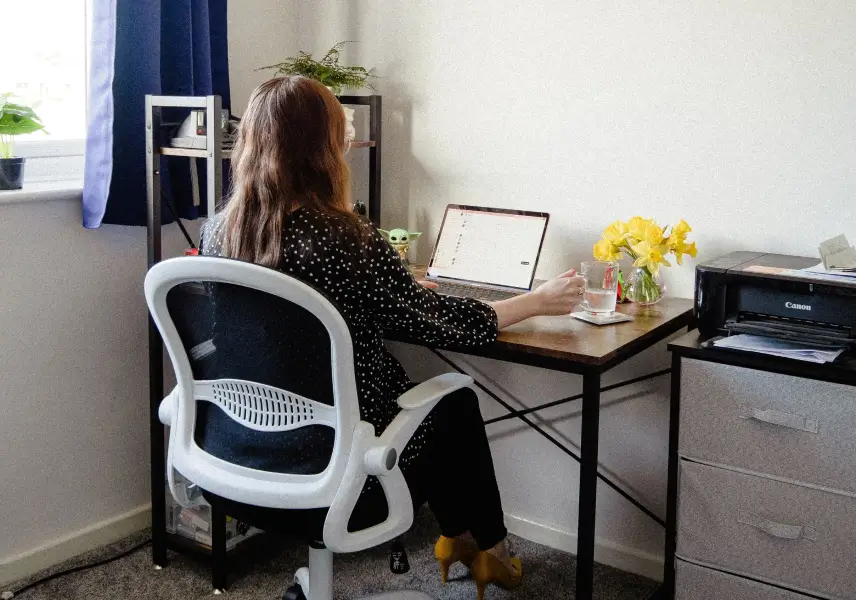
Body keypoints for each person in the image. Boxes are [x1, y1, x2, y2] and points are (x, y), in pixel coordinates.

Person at [200, 75, 585, 600]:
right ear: (323, 148)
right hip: (340, 474)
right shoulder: (346, 239)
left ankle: (459, 541)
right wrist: (535, 301)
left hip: (236, 460)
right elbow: (439, 321)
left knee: (439, 408)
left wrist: (395, 289)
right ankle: (486, 551)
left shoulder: (219, 232)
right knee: (454, 402)